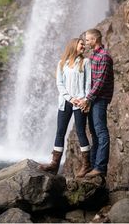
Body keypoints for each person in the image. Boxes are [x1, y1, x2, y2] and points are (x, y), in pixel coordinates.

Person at [39, 38, 92, 177]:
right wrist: (70, 98)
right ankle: (54, 164)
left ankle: (86, 164)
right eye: (82, 44)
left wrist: (85, 100)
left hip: (80, 102)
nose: (84, 47)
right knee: (60, 132)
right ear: (74, 46)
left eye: (84, 45)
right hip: (65, 102)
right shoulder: (62, 63)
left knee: (81, 132)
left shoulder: (85, 62)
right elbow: (59, 84)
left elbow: (88, 84)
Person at [78, 29, 114, 177]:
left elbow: (99, 82)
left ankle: (100, 167)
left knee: (101, 131)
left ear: (94, 40)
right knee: (93, 132)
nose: (86, 43)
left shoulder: (104, 56)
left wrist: (88, 99)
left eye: (87, 40)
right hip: (93, 98)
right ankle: (92, 165)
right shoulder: (93, 55)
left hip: (99, 98)